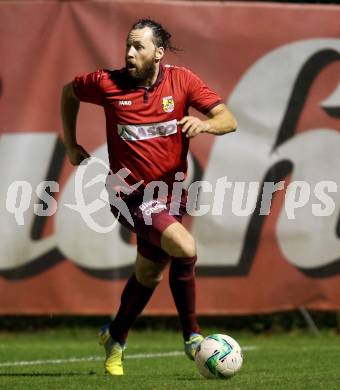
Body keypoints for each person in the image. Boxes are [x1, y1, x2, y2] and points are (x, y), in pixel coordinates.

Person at [61, 18, 237, 376]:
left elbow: (228, 119)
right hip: (128, 192)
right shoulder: (106, 83)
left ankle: (115, 336)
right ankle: (192, 337)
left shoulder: (182, 81)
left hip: (170, 196)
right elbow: (68, 92)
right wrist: (70, 144)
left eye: (138, 46)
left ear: (158, 53)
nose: (129, 52)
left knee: (149, 274)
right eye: (128, 45)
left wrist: (204, 125)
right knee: (185, 248)